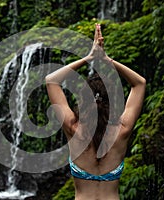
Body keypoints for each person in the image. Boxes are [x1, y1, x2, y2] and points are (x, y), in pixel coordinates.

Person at [45, 24, 146, 200]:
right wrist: (107, 60)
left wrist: (89, 57)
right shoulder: (123, 130)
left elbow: (51, 81)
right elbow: (140, 83)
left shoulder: (73, 128)